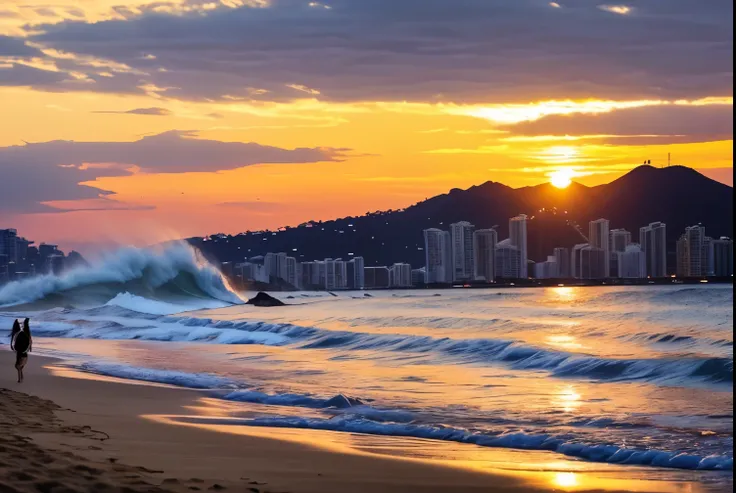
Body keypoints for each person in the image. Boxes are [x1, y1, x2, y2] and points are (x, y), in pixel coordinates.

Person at [10, 318, 32, 383]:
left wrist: (13, 347)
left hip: (21, 353)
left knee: (17, 366)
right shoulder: (24, 333)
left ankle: (20, 379)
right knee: (18, 366)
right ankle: (20, 378)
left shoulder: (18, 333)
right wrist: (29, 348)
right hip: (23, 353)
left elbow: (29, 341)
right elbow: (30, 341)